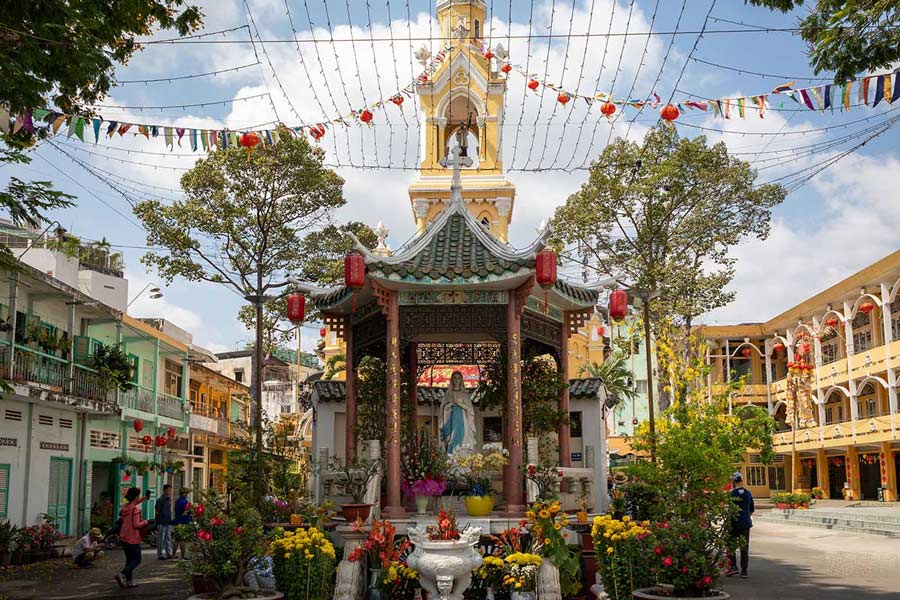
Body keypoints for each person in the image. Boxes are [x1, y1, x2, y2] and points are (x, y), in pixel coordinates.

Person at [115, 487, 149, 589]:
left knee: (129, 560)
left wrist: (143, 498)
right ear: (135, 497)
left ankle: (129, 582)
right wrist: (145, 522)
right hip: (133, 537)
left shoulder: (126, 507)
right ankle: (122, 574)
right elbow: (136, 525)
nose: (138, 497)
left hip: (124, 536)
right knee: (137, 559)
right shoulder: (135, 509)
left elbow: (134, 503)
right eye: (138, 496)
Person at [726, 472, 754, 579]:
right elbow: (752, 509)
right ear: (741, 480)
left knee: (731, 545)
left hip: (734, 523)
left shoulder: (732, 494)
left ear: (733, 481)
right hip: (746, 523)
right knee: (744, 546)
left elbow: (730, 510)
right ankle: (744, 571)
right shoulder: (748, 493)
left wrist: (728, 523)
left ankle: (733, 567)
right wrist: (745, 516)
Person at [155, 485, 173, 560]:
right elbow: (157, 512)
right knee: (161, 539)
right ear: (164, 490)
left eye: (170, 490)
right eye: (168, 490)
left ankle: (169, 553)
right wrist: (156, 521)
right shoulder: (160, 500)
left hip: (168, 522)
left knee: (168, 538)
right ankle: (160, 555)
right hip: (161, 521)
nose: (170, 492)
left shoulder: (168, 499)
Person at [172, 488, 192, 559]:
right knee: (183, 540)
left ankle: (173, 555)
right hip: (183, 522)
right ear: (182, 493)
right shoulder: (184, 502)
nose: (186, 495)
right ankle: (183, 556)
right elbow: (189, 511)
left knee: (176, 540)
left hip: (178, 522)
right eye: (185, 493)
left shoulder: (178, 501)